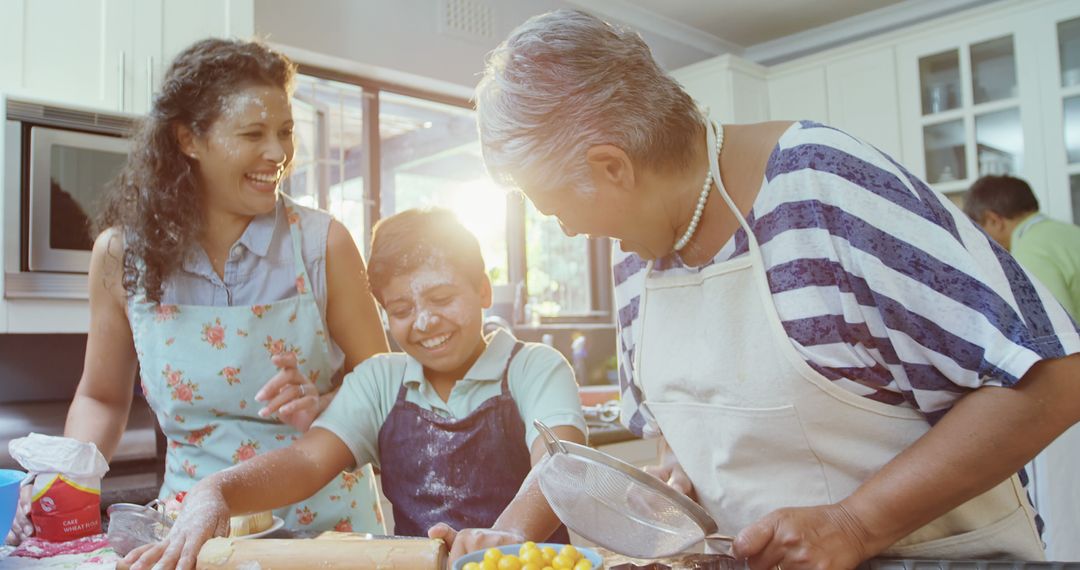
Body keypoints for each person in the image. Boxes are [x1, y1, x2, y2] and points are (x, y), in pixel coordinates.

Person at [473, 9, 1080, 568]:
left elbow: (1055, 376)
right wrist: (681, 481)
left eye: (554, 210)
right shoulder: (636, 267)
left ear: (612, 166)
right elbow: (688, 442)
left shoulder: (822, 187)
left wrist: (855, 524)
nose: (570, 231)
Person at [7, 38, 390, 545]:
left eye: (285, 131)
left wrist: (325, 402)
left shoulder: (322, 245)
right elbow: (101, 397)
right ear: (188, 138)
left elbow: (386, 388)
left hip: (328, 534)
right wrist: (64, 478)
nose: (277, 153)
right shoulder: (123, 256)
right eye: (253, 133)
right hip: (193, 534)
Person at [122, 208, 587, 570]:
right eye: (402, 308)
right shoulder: (380, 380)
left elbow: (559, 460)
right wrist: (216, 490)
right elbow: (306, 461)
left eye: (443, 298)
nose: (425, 321)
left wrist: (505, 539)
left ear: (484, 291)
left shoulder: (534, 368)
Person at [964, 175, 1080, 321]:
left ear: (993, 220)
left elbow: (1057, 328)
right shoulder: (1070, 231)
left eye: (979, 229)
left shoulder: (1028, 250)